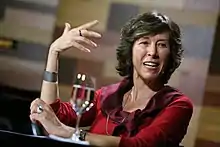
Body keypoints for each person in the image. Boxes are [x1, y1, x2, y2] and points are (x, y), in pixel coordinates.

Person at [30, 11, 193, 147]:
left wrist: (70, 133)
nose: (153, 52)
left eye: (162, 45)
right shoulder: (109, 95)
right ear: (130, 50)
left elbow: (141, 145)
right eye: (144, 42)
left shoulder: (178, 105)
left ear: (171, 55)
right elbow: (55, 115)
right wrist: (54, 52)